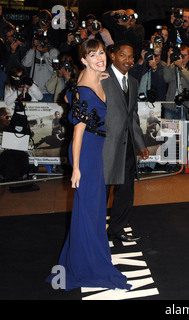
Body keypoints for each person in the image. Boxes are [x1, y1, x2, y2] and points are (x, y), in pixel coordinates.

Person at [46, 39, 131, 290]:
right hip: (84, 153)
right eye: (92, 55)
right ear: (83, 60)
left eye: (102, 53)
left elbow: (69, 91)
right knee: (89, 211)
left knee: (93, 212)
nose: (99, 58)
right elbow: (78, 133)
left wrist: (98, 73)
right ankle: (88, 266)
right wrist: (76, 168)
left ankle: (85, 260)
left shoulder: (93, 77)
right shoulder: (84, 89)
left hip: (95, 150)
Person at [101, 40, 149, 242]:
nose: (128, 60)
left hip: (127, 146)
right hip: (105, 146)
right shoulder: (101, 78)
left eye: (131, 56)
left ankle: (117, 229)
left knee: (126, 191)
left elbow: (133, 117)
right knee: (101, 192)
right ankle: (94, 233)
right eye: (123, 55)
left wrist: (141, 143)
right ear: (112, 55)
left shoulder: (134, 82)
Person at [21, 28, 59, 102]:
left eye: (43, 40)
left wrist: (45, 52)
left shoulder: (53, 51)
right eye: (39, 40)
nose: (41, 42)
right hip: (33, 90)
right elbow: (25, 63)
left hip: (48, 91)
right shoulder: (33, 51)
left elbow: (52, 68)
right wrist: (33, 48)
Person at [163, 44, 189, 118]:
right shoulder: (173, 65)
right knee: (169, 128)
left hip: (186, 104)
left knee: (184, 128)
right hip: (171, 104)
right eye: (180, 55)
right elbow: (166, 78)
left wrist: (182, 67)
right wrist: (169, 59)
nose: (182, 58)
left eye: (184, 55)